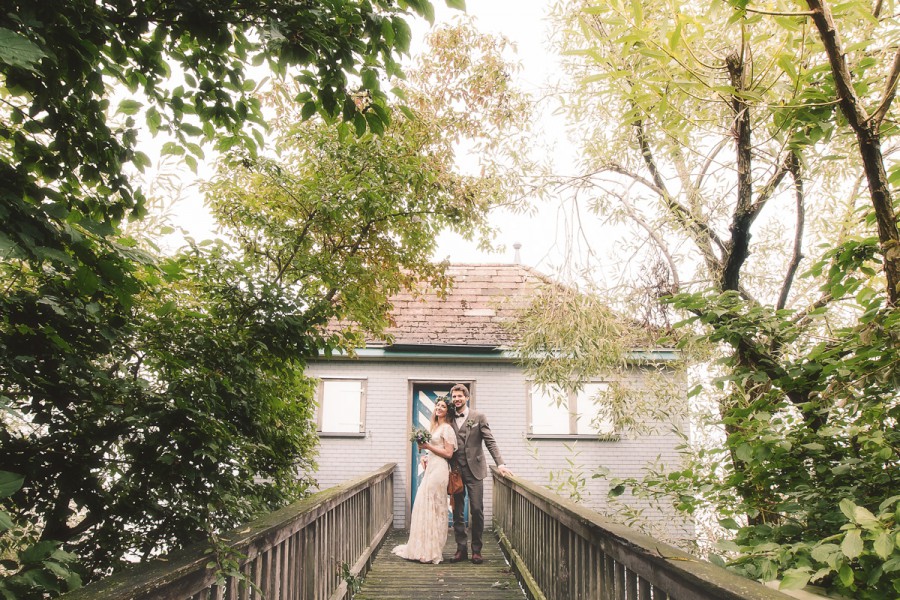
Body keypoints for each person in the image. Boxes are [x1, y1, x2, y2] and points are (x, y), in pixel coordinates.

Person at [448, 383, 512, 564]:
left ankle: (477, 550)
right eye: (454, 397)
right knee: (457, 511)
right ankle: (461, 549)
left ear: (467, 398)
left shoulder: (478, 417)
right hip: (455, 472)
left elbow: (490, 442)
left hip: (475, 470)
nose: (457, 399)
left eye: (460, 396)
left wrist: (501, 464)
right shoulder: (449, 417)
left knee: (476, 510)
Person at [392, 398, 457, 564]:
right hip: (431, 467)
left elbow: (449, 453)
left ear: (448, 411)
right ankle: (423, 547)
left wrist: (428, 447)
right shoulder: (435, 427)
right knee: (424, 504)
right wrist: (426, 456)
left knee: (434, 506)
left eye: (443, 406)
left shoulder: (447, 428)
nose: (439, 408)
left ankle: (433, 550)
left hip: (440, 470)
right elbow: (436, 450)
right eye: (438, 405)